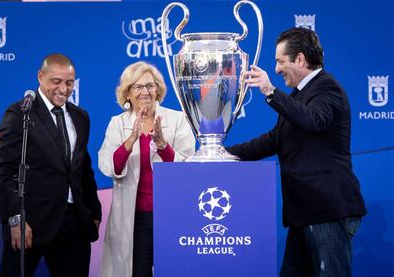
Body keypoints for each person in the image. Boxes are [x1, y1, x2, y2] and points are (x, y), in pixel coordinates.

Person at [227, 28, 367, 276]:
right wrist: (223, 155)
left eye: (281, 61)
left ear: (300, 59)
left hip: (327, 210)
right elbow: (273, 140)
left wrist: (271, 92)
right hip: (304, 212)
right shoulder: (300, 95)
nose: (277, 69)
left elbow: (313, 121)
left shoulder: (327, 88)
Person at [0, 54, 102, 277]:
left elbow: (83, 169)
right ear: (40, 77)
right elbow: (2, 172)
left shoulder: (81, 117)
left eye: (69, 83)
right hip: (29, 223)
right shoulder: (19, 114)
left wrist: (94, 210)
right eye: (56, 81)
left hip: (73, 224)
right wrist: (15, 219)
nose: (64, 89)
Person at [98, 61, 195, 277]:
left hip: (171, 214)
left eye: (150, 86)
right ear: (127, 93)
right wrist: (130, 141)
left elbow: (189, 168)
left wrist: (163, 147)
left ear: (158, 90)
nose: (145, 92)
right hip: (135, 218)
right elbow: (107, 166)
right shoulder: (117, 124)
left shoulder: (177, 119)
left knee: (174, 270)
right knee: (138, 272)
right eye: (138, 86)